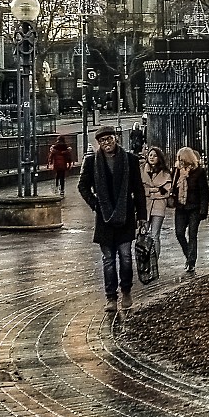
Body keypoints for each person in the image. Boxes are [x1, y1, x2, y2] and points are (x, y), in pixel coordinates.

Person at [78, 124, 146, 316]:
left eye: (109, 139)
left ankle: (126, 291)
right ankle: (111, 297)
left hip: (125, 216)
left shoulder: (130, 160)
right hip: (104, 218)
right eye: (102, 141)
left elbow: (138, 190)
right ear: (98, 143)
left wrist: (142, 216)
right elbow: (82, 186)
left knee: (125, 257)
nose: (106, 143)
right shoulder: (92, 162)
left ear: (116, 139)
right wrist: (95, 204)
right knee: (108, 259)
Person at [172, 146, 209, 276]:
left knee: (192, 234)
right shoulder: (177, 171)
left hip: (194, 207)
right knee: (179, 233)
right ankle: (188, 253)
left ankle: (191, 261)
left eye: (181, 159)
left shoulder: (199, 172)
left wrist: (203, 210)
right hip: (181, 207)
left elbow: (204, 192)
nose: (180, 161)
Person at [138, 142, 175, 270]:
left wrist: (150, 191)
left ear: (159, 158)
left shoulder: (165, 173)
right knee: (144, 234)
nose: (152, 157)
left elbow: (166, 192)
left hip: (159, 206)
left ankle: (155, 261)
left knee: (155, 235)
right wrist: (154, 191)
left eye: (155, 155)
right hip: (145, 206)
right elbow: (140, 189)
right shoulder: (142, 170)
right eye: (150, 155)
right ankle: (144, 259)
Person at [46, 132, 77, 199]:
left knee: (57, 175)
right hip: (63, 164)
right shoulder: (65, 147)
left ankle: (56, 186)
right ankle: (62, 189)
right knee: (62, 177)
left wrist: (50, 162)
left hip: (56, 164)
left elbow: (51, 156)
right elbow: (68, 156)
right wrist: (69, 163)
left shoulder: (55, 147)